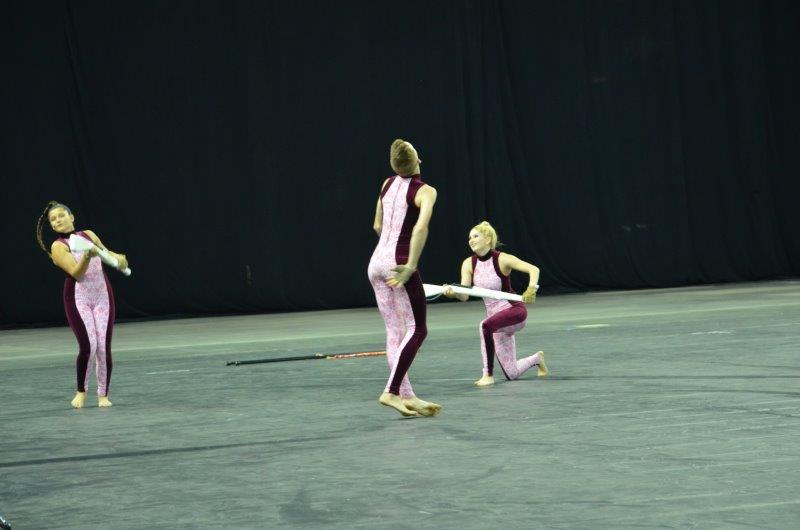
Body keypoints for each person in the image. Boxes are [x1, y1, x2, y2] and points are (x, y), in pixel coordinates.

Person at [367, 139, 441, 417]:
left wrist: (388, 250)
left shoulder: (386, 184)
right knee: (418, 328)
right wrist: (410, 264)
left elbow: (377, 224)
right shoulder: (426, 191)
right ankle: (392, 391)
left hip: (376, 262)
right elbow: (421, 228)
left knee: (395, 331)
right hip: (398, 263)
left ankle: (406, 395)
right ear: (418, 160)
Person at [35, 201, 129, 408]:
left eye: (61, 215)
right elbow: (77, 273)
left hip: (102, 296)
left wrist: (119, 259)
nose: (58, 220)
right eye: (53, 219)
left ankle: (103, 395)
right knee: (89, 346)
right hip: (79, 299)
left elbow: (106, 253)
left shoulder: (89, 235)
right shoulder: (59, 246)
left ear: (72, 217)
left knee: (103, 348)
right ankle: (81, 391)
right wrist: (87, 256)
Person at [443, 221, 547, 386]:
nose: (471, 240)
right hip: (496, 322)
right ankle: (537, 359)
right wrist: (453, 293)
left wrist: (531, 288)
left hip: (514, 312)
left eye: (475, 236)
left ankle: (488, 375)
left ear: (488, 239)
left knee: (484, 326)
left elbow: (534, 269)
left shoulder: (502, 259)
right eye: (469, 237)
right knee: (512, 373)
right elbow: (464, 296)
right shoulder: (468, 264)